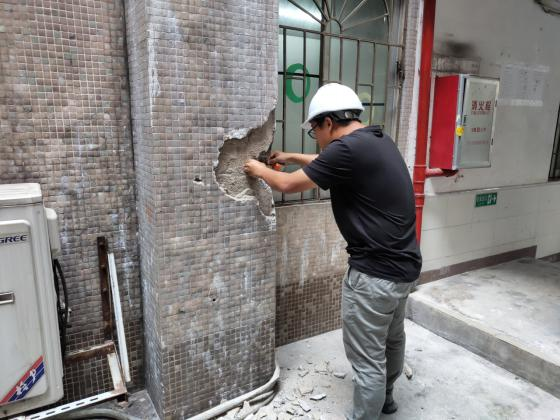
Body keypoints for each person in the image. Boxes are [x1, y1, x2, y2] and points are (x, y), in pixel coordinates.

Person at [243, 83, 422, 420]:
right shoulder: (376, 141)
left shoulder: (347, 150)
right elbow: (327, 163)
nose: (317, 139)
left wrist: (256, 169)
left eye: (315, 131)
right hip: (404, 268)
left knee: (367, 359)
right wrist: (291, 157)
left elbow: (287, 184)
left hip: (373, 276)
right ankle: (386, 399)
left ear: (328, 122)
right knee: (392, 339)